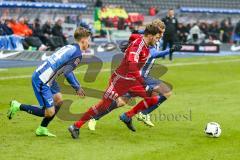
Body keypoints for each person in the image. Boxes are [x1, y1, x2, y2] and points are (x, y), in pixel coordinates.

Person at [68, 24, 164, 139]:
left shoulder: (143, 42)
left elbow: (133, 36)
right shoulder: (137, 47)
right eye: (157, 38)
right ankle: (76, 126)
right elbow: (132, 67)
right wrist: (143, 84)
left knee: (153, 97)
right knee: (103, 106)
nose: (158, 40)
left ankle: (127, 116)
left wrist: (127, 43)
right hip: (119, 81)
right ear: (150, 36)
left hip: (132, 81)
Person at [87, 19, 182, 131]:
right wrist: (169, 50)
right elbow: (154, 54)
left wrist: (129, 42)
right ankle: (99, 117)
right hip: (139, 76)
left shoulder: (154, 38)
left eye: (163, 32)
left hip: (143, 75)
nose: (162, 35)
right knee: (164, 92)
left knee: (122, 102)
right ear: (154, 30)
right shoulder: (148, 39)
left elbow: (133, 36)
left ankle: (130, 115)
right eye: (160, 32)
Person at [7, 27, 91, 137]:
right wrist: (77, 87)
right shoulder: (77, 54)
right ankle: (18, 106)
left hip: (49, 78)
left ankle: (42, 128)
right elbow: (67, 72)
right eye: (88, 40)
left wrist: (77, 85)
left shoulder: (69, 47)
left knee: (58, 101)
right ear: (83, 40)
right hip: (43, 79)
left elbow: (68, 70)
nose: (89, 43)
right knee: (48, 112)